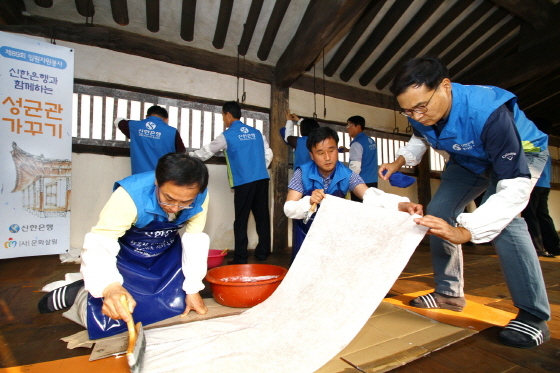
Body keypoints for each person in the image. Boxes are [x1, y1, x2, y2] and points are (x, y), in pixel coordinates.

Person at [379, 57, 550, 349]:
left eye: (421, 106)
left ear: (446, 87)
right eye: (408, 110)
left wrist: (467, 231)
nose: (416, 115)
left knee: (507, 223)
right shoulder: (416, 111)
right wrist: (399, 161)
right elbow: (420, 136)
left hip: (521, 154)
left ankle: (534, 315)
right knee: (438, 213)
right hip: (470, 160)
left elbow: (512, 188)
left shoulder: (488, 112)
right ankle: (449, 293)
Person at [38, 153, 210, 339]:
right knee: (112, 318)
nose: (175, 208)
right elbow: (101, 242)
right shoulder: (130, 195)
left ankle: (86, 286)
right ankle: (78, 291)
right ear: (157, 183)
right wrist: (110, 287)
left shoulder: (200, 196)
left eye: (185, 202)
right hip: (127, 257)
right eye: (168, 199)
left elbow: (194, 241)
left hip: (165, 256)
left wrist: (193, 288)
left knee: (176, 306)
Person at [284, 127, 422, 262]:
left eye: (331, 151)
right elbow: (289, 208)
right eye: (320, 153)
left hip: (333, 233)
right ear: (312, 155)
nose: (327, 157)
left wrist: (401, 204)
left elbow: (369, 194)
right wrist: (309, 201)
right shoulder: (302, 173)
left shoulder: (347, 174)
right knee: (304, 271)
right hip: (305, 234)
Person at [190, 101, 273, 264]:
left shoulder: (227, 135)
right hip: (262, 179)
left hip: (244, 181)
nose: (223, 119)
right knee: (262, 217)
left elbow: (207, 151)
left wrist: (190, 156)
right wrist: (259, 168)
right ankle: (263, 253)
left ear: (228, 115)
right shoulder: (257, 133)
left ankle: (241, 257)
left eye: (223, 116)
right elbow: (268, 154)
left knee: (241, 219)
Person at [116, 105, 186, 174]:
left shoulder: (133, 126)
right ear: (166, 119)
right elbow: (181, 152)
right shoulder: (172, 131)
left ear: (147, 116)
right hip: (163, 177)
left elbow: (118, 121)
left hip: (140, 177)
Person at [522, 157, 560, 257]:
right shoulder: (544, 150)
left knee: (529, 215)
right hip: (544, 184)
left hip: (533, 184)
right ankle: (554, 247)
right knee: (542, 215)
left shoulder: (530, 147)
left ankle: (537, 248)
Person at [344, 116, 378, 202]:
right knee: (370, 206)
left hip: (360, 184)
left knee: (360, 210)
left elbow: (355, 167)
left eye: (350, 125)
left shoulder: (356, 143)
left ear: (358, 126)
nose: (348, 128)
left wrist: (348, 183)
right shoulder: (370, 141)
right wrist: (348, 150)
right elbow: (365, 154)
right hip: (373, 181)